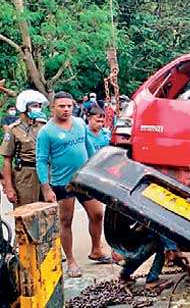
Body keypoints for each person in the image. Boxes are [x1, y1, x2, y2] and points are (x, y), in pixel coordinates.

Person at [36, 92, 110, 278]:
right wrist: (46, 188)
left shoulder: (78, 123)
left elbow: (88, 146)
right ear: (52, 108)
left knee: (98, 213)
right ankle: (70, 260)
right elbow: (41, 161)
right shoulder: (46, 132)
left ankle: (96, 250)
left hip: (83, 179)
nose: (66, 109)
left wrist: (96, 167)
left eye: (69, 106)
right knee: (66, 220)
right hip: (62, 183)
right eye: (61, 106)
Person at [0, 90, 47, 207]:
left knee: (47, 213)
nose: (38, 109)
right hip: (25, 175)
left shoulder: (43, 126)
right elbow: (7, 160)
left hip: (44, 173)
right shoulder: (13, 129)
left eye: (40, 106)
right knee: (25, 215)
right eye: (35, 106)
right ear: (24, 107)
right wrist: (9, 187)